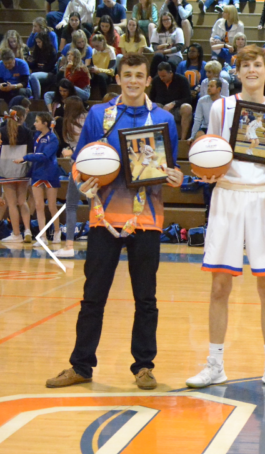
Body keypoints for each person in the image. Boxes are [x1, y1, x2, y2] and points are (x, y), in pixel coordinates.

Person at [45, 52, 182, 389]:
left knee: (145, 298)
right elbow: (80, 163)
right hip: (103, 219)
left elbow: (167, 167)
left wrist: (174, 177)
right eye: (127, 75)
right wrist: (82, 182)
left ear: (148, 80)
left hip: (146, 220)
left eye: (139, 75)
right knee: (93, 295)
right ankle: (81, 366)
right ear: (118, 78)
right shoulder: (98, 115)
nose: (133, 80)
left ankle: (144, 367)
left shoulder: (164, 118)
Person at [186, 45, 265, 390]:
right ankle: (214, 364)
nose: (250, 70)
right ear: (238, 71)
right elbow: (212, 154)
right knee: (219, 286)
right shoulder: (221, 107)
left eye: (257, 65)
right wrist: (208, 172)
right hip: (228, 194)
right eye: (245, 65)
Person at [15, 112, 60, 242]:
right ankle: (43, 236)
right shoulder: (36, 136)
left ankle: (57, 232)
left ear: (45, 123)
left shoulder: (53, 138)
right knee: (39, 206)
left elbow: (44, 156)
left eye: (37, 121)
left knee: (51, 205)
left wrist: (25, 158)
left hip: (50, 173)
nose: (34, 123)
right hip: (36, 173)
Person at [55, 96, 87, 257]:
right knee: (100, 203)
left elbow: (81, 146)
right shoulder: (89, 117)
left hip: (79, 164)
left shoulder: (70, 123)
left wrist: (71, 152)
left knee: (71, 205)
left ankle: (69, 246)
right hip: (97, 164)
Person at [0, 105, 34, 243]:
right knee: (22, 201)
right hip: (22, 169)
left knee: (12, 204)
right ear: (22, 117)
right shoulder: (27, 131)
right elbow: (31, 152)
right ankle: (27, 230)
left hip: (6, 169)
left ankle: (16, 233)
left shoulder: (2, 130)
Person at [149, 62, 192, 140]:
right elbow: (151, 98)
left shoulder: (182, 80)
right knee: (154, 106)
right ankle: (159, 138)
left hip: (177, 109)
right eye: (160, 76)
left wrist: (174, 103)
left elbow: (188, 98)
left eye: (164, 76)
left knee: (187, 107)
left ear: (171, 73)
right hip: (162, 108)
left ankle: (182, 140)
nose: (161, 78)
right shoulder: (156, 80)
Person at [149, 12, 184, 76]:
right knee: (157, 57)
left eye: (168, 19)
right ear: (161, 21)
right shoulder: (156, 31)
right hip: (162, 54)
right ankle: (152, 78)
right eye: (164, 20)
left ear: (171, 20)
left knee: (171, 63)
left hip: (175, 55)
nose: (166, 22)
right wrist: (163, 46)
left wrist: (164, 51)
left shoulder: (178, 30)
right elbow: (154, 47)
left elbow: (179, 47)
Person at [27, 32, 57, 102]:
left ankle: (37, 99)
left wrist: (38, 69)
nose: (38, 44)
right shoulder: (37, 51)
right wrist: (30, 62)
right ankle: (30, 95)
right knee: (30, 75)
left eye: (39, 42)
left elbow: (50, 67)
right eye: (37, 42)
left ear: (44, 41)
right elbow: (34, 64)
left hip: (49, 73)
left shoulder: (52, 51)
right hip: (38, 71)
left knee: (33, 76)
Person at [89, 34, 115, 98]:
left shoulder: (110, 51)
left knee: (101, 76)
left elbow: (112, 71)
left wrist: (99, 70)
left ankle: (104, 98)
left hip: (107, 75)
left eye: (97, 46)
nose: (96, 48)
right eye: (94, 46)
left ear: (103, 42)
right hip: (96, 73)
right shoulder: (93, 51)